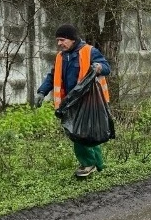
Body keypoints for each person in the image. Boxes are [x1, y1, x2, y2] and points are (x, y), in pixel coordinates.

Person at [35, 24, 111, 178]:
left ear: (72, 39)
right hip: (70, 102)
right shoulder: (60, 57)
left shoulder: (89, 51)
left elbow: (106, 67)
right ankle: (97, 163)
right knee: (86, 133)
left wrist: (98, 67)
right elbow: (52, 76)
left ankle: (87, 164)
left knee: (79, 134)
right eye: (58, 40)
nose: (59, 43)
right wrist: (42, 92)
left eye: (62, 40)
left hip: (88, 100)